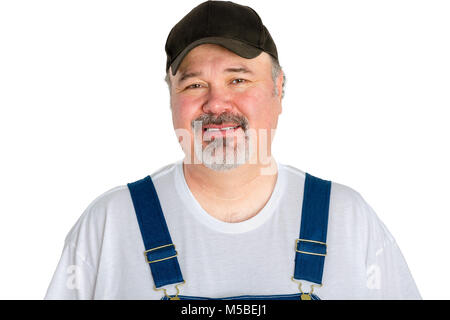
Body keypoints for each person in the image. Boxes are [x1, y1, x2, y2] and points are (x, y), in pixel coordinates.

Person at [45, 1, 421, 300]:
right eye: (194, 85)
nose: (216, 103)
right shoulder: (110, 225)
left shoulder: (349, 221)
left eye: (238, 79)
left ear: (278, 88)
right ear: (172, 98)